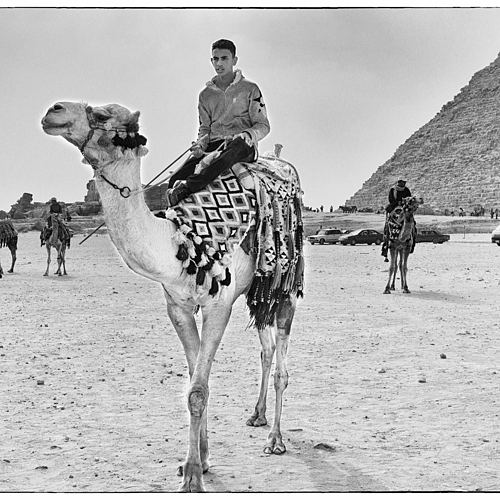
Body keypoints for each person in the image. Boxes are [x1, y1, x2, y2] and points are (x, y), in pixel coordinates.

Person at [166, 39, 270, 207]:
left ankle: (189, 187)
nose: (219, 63)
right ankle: (172, 215)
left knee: (235, 146)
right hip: (214, 146)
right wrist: (200, 145)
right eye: (215, 59)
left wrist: (248, 134)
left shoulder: (250, 89)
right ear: (211, 61)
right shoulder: (205, 95)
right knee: (175, 178)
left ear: (234, 60)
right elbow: (204, 129)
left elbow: (263, 125)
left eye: (224, 58)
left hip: (242, 145)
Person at [381, 180, 412, 258]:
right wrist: (397, 203)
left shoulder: (406, 190)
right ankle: (386, 242)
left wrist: (403, 203)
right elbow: (390, 199)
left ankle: (412, 241)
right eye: (401, 182)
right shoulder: (393, 190)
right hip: (394, 207)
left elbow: (409, 199)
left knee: (412, 222)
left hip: (404, 207)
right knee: (387, 223)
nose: (402, 184)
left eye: (403, 182)